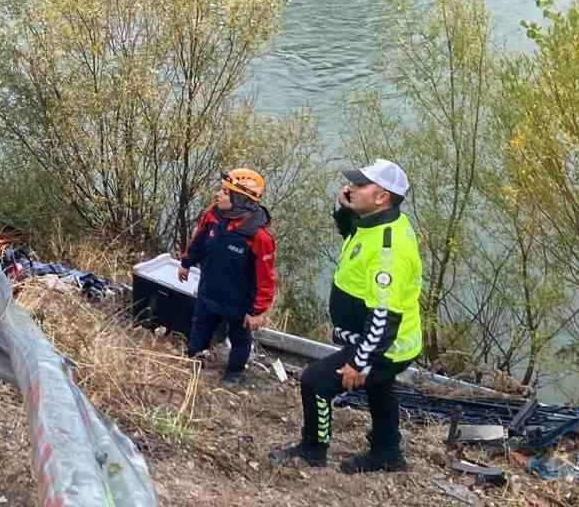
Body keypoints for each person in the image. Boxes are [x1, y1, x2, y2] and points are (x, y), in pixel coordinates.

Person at [271, 159, 423, 473]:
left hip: (386, 345)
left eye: (359, 185)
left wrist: (359, 362)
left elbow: (384, 317)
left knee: (315, 382)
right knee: (379, 388)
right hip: (381, 341)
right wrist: (345, 209)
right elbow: (351, 233)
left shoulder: (388, 253)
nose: (350, 188)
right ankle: (387, 452)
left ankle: (313, 448)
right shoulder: (376, 221)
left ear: (381, 197)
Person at [177, 168, 276, 390]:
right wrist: (186, 263)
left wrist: (258, 311)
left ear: (240, 199)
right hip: (209, 289)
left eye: (224, 192)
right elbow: (198, 241)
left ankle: (234, 373)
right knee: (200, 324)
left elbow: (266, 278)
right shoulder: (213, 215)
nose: (218, 195)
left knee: (240, 338)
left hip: (240, 302)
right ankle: (193, 355)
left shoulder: (259, 236)